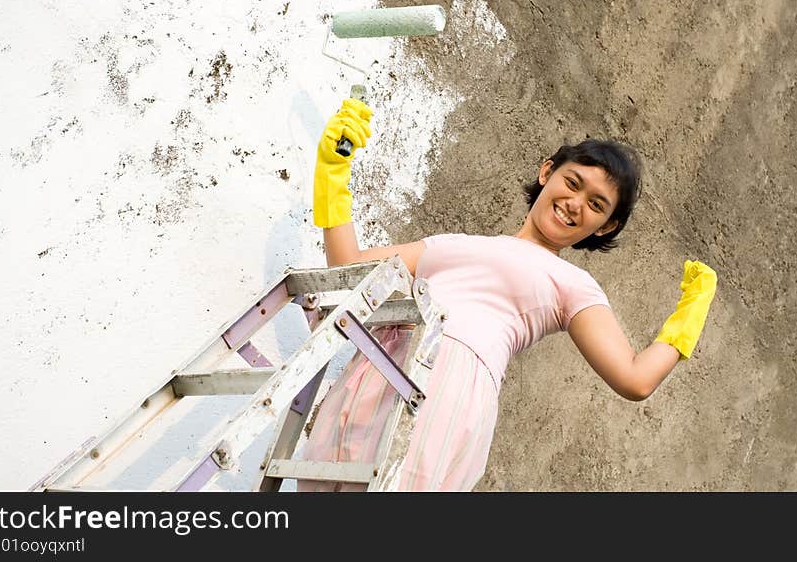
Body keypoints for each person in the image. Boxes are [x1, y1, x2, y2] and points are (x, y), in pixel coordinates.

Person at [299, 98, 718, 491]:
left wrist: (691, 313)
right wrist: (334, 173)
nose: (575, 203)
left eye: (596, 204)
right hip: (384, 369)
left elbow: (635, 379)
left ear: (605, 227)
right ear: (546, 173)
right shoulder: (451, 244)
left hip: (449, 390)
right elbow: (347, 272)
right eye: (572, 183)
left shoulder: (571, 283)